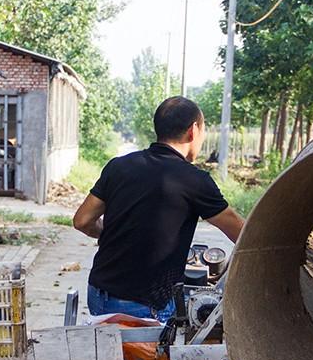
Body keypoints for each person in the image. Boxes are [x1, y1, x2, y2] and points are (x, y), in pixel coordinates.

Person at [73, 96, 244, 322]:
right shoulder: (195, 180)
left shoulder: (118, 166)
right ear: (193, 131)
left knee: (110, 354)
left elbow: (82, 220)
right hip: (146, 306)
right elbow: (243, 234)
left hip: (99, 294)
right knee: (148, 356)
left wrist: (112, 234)